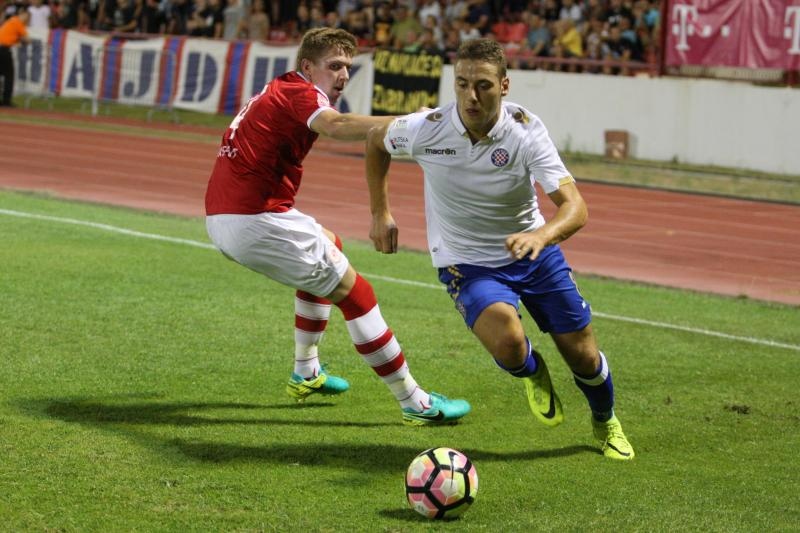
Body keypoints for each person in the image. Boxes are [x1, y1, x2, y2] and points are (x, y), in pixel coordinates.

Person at [364, 38, 635, 459]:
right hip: (467, 262)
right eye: (463, 84)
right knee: (509, 344)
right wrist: (381, 212)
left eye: (484, 85)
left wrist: (540, 237)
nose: (471, 96)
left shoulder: (526, 131)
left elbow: (576, 207)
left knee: (583, 354)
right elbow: (375, 140)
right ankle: (531, 371)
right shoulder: (428, 127)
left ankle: (605, 421)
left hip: (534, 253)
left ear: (504, 86)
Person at [204, 27, 470, 426]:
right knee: (357, 293)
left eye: (348, 67)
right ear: (308, 66)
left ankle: (306, 371)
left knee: (332, 243)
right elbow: (337, 125)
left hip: (232, 215)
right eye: (334, 66)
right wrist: (413, 122)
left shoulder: (280, 87)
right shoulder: (303, 93)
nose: (343, 75)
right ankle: (415, 402)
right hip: (255, 219)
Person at [0, 7, 30, 107]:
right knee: (9, 76)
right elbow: (27, 39)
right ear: (24, 15)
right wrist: (26, 41)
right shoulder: (18, 22)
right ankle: (6, 101)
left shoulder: (11, 21)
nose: (28, 20)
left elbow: (11, 37)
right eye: (27, 17)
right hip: (3, 50)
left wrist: (18, 40)